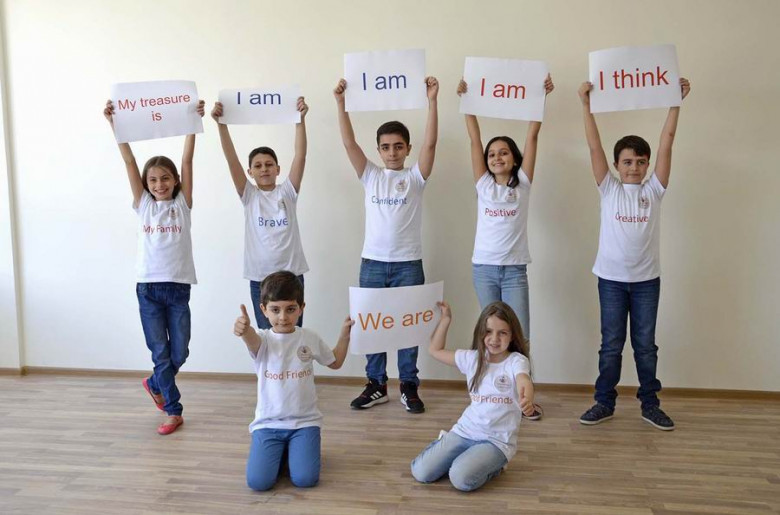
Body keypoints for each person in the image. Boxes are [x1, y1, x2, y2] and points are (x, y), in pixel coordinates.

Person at [577, 78, 691, 431]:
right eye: (627, 161)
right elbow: (593, 146)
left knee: (645, 346)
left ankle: (650, 405)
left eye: (641, 162)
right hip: (611, 281)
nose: (635, 167)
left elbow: (667, 141)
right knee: (611, 346)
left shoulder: (654, 190)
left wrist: (675, 102)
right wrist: (586, 105)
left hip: (646, 283)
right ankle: (604, 402)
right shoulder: (608, 189)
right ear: (616, 164)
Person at [333, 76, 439, 413]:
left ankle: (409, 385)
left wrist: (432, 101)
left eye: (398, 146)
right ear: (378, 150)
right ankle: (376, 384)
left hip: (408, 264)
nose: (392, 152)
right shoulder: (371, 176)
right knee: (371, 328)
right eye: (386, 147)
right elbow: (349, 143)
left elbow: (431, 145)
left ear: (407, 148)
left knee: (408, 327)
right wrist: (341, 104)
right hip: (373, 264)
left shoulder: (415, 178)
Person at [103, 98, 205, 435]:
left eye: (165, 179)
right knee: (160, 353)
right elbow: (129, 161)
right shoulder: (144, 204)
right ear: (146, 185)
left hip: (178, 288)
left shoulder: (183, 205)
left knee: (180, 351)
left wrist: (193, 125)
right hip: (148, 288)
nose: (159, 184)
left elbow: (187, 160)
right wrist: (115, 125)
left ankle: (155, 383)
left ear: (175, 181)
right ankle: (173, 411)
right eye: (153, 180)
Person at [456, 75, 554, 420]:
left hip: (514, 271)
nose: (497, 157)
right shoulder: (483, 184)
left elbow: (533, 135)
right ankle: (487, 395)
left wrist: (540, 97)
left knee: (518, 335)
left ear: (515, 158)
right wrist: (467, 103)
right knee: (490, 335)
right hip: (483, 269)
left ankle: (525, 398)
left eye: (504, 152)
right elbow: (474, 138)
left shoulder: (522, 184)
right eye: (492, 154)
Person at [234, 271, 352, 490]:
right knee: (258, 483)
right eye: (275, 310)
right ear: (263, 309)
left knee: (305, 479)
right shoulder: (263, 339)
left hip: (305, 423)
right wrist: (245, 330)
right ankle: (284, 452)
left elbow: (335, 362)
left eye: (290, 309)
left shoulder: (309, 337)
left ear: (301, 308)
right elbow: (251, 339)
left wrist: (344, 335)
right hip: (268, 424)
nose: (283, 317)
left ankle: (295, 451)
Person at [411, 301, 535, 491]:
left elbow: (523, 379)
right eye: (488, 331)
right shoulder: (472, 358)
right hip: (465, 431)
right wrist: (446, 320)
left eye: (502, 332)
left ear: (512, 336)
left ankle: (496, 464)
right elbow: (435, 350)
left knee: (461, 479)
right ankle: (453, 448)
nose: (494, 339)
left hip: (496, 441)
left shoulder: (516, 361)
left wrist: (526, 397)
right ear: (480, 332)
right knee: (421, 472)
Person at [211, 97, 310, 329]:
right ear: (250, 172)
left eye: (268, 164)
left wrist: (300, 120)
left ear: (278, 169)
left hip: (292, 276)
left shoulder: (288, 192)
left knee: (292, 335)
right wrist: (221, 125)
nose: (264, 169)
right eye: (258, 165)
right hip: (261, 279)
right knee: (267, 338)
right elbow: (231, 160)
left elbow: (300, 156)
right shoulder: (249, 195)